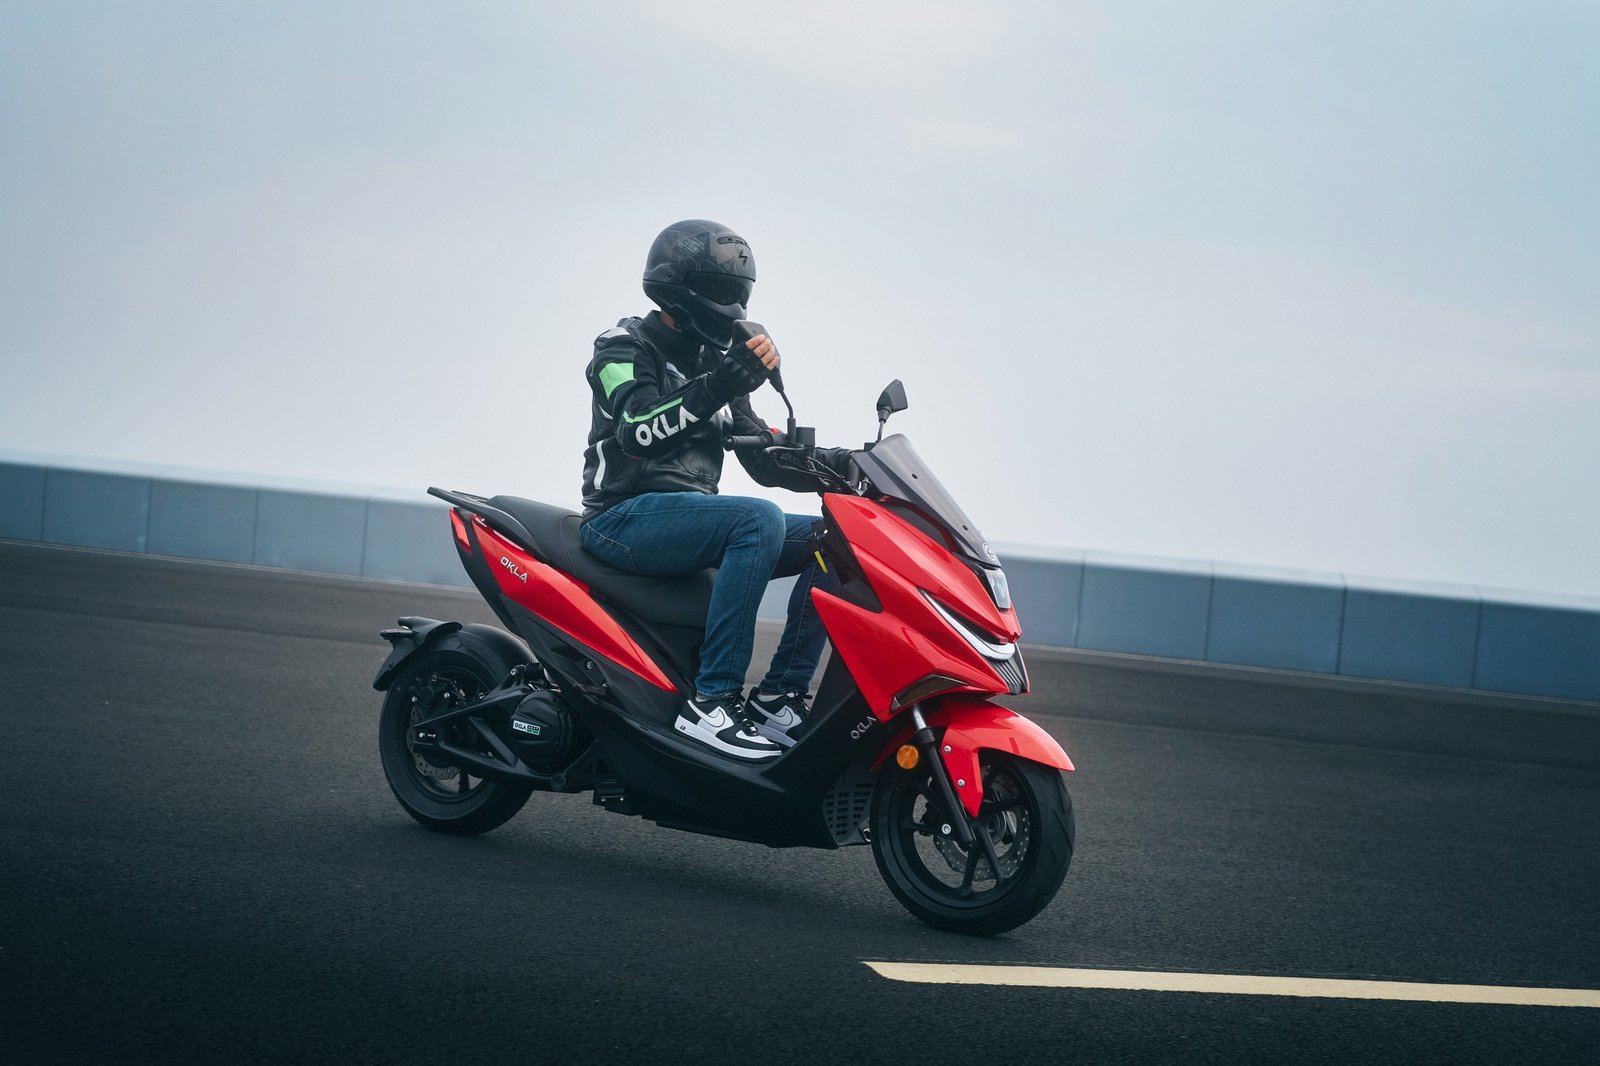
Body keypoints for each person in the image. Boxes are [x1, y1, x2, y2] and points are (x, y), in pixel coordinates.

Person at [578, 219, 849, 760]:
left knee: (838, 538)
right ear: (679, 287)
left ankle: (778, 695)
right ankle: (712, 702)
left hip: (688, 521)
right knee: (757, 520)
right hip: (619, 518)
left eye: (739, 294)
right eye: (722, 291)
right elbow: (637, 431)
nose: (733, 306)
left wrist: (842, 464)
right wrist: (720, 384)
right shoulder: (620, 349)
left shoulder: (714, 362)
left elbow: (760, 455)